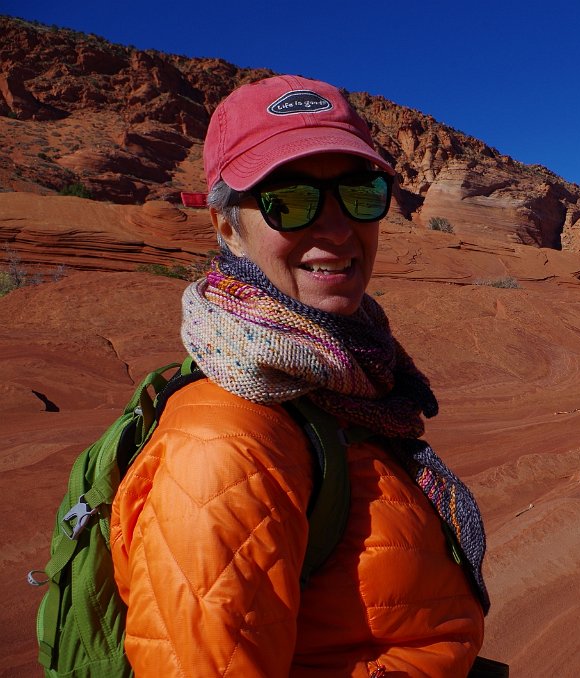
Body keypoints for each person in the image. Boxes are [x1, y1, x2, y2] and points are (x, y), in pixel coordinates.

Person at [109, 74, 489, 677]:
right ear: (226, 226)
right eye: (290, 199)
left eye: (360, 193)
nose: (337, 230)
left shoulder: (348, 385)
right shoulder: (221, 451)